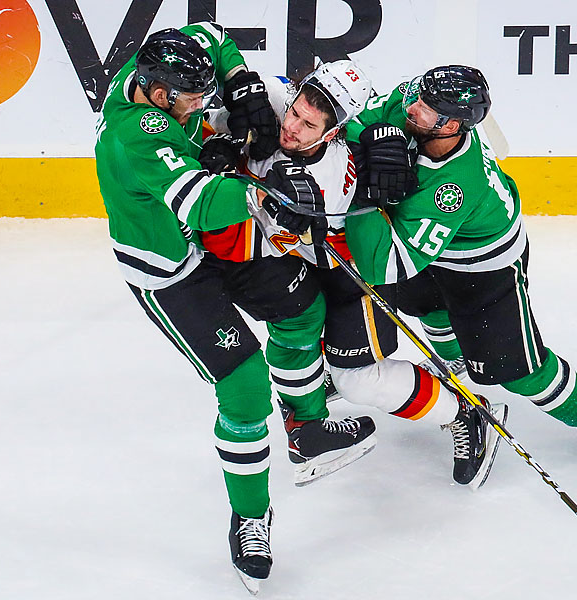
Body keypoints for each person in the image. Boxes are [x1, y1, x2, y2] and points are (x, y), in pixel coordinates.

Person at [93, 24, 374, 591]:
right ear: (160, 94)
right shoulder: (135, 138)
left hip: (213, 245)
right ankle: (251, 516)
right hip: (171, 270)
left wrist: (241, 83)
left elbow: (208, 35)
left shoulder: (147, 72)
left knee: (301, 306)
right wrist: (268, 196)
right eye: (194, 99)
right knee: (244, 386)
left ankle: (307, 425)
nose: (203, 105)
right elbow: (201, 203)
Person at [198, 60, 500, 488]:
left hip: (351, 275)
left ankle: (465, 412)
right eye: (295, 112)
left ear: (333, 132)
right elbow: (200, 116)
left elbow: (360, 254)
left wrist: (299, 212)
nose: (293, 129)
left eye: (308, 124)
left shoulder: (336, 179)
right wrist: (222, 142)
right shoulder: (272, 98)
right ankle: (308, 421)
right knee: (293, 332)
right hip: (298, 265)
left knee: (355, 378)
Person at [343, 65, 577, 468]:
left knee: (520, 370)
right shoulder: (419, 102)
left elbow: (387, 265)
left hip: (483, 265)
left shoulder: (454, 186)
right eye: (417, 96)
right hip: (427, 241)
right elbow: (356, 122)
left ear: (452, 126)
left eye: (426, 108)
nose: (411, 107)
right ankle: (454, 360)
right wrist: (370, 142)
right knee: (429, 306)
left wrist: (363, 191)